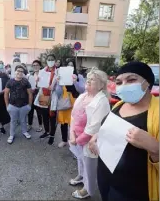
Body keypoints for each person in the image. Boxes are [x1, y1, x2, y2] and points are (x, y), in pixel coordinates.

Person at [89, 62, 159, 201]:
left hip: (135, 191)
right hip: (107, 181)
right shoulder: (119, 105)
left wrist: (155, 149)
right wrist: (97, 136)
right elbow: (110, 128)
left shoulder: (157, 114)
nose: (124, 86)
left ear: (147, 82)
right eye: (119, 82)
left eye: (131, 80)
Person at [68, 68, 110, 199]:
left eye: (94, 79)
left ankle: (88, 189)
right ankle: (81, 177)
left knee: (90, 167)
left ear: (102, 85)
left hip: (89, 141)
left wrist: (77, 140)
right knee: (80, 160)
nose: (89, 80)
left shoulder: (102, 101)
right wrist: (72, 135)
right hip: (76, 137)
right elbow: (74, 115)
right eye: (89, 78)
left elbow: (94, 127)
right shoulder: (83, 95)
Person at [56, 60, 85, 147]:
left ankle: (75, 142)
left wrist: (75, 81)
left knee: (75, 124)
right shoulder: (61, 76)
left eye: (72, 65)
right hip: (64, 102)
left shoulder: (79, 76)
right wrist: (59, 83)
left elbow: (82, 90)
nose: (70, 67)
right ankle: (64, 140)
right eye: (68, 65)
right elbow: (58, 93)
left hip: (76, 102)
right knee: (63, 123)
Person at [4, 65, 33, 144]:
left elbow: (30, 93)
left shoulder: (26, 81)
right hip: (13, 105)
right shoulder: (10, 81)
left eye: (21, 71)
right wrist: (7, 106)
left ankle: (24, 131)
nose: (20, 73)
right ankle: (11, 135)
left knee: (23, 120)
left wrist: (29, 105)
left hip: (24, 105)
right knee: (13, 121)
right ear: (15, 71)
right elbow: (6, 94)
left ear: (23, 73)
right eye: (18, 71)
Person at [35, 54, 58, 145]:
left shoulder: (58, 72)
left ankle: (52, 135)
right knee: (44, 115)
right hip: (44, 95)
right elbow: (38, 85)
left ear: (55, 61)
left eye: (52, 59)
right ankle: (46, 132)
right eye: (49, 59)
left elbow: (62, 86)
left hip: (53, 95)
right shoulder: (42, 71)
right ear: (46, 61)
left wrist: (55, 85)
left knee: (52, 116)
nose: (50, 61)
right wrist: (37, 81)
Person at [27, 60, 43, 132]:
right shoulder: (30, 75)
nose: (35, 66)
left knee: (39, 112)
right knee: (30, 111)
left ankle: (40, 126)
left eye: (37, 65)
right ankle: (30, 125)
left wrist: (38, 84)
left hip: (40, 95)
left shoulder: (43, 74)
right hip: (31, 95)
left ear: (40, 66)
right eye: (34, 65)